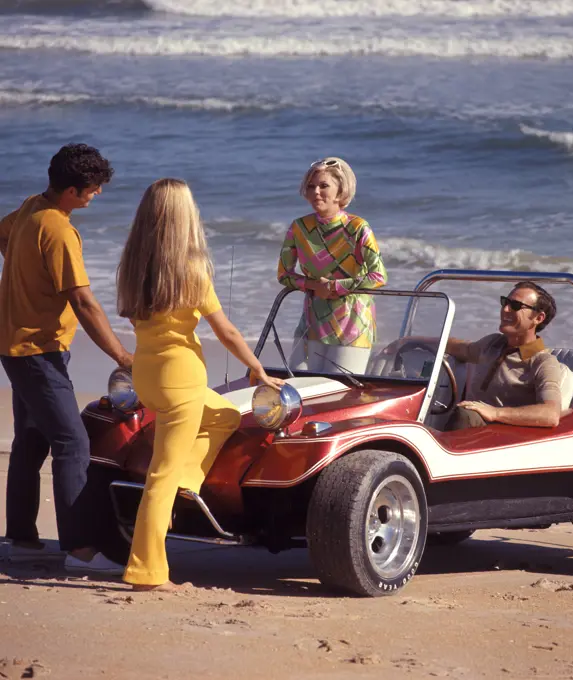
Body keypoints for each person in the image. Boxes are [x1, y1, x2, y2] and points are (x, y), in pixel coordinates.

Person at [117, 178, 283, 592]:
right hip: (181, 381)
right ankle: (146, 572)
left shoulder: (134, 264)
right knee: (160, 476)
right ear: (185, 217)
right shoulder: (191, 270)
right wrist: (257, 369)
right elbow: (225, 332)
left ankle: (188, 481)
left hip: (148, 375)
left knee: (225, 413)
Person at [0, 143, 133, 573]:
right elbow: (83, 301)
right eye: (93, 189)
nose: (96, 196)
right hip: (38, 351)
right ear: (73, 191)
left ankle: (21, 538)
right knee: (72, 442)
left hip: (14, 344)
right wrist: (121, 355)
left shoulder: (29, 207)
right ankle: (79, 550)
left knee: (33, 439)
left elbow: (1, 234)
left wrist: (25, 273)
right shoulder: (58, 230)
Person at [277, 157, 387, 374]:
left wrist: (335, 286)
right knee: (296, 386)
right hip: (311, 324)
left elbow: (379, 277)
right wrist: (310, 284)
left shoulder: (358, 228)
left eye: (323, 186)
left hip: (352, 325)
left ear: (341, 191)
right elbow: (284, 275)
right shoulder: (299, 227)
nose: (316, 191)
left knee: (339, 391)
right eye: (311, 186)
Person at [444, 281, 563, 430]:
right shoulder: (493, 343)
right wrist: (412, 341)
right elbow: (463, 349)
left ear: (538, 318)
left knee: (464, 413)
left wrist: (495, 413)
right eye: (505, 302)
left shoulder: (542, 361)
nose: (505, 309)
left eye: (515, 306)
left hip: (499, 436)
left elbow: (551, 414)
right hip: (468, 426)